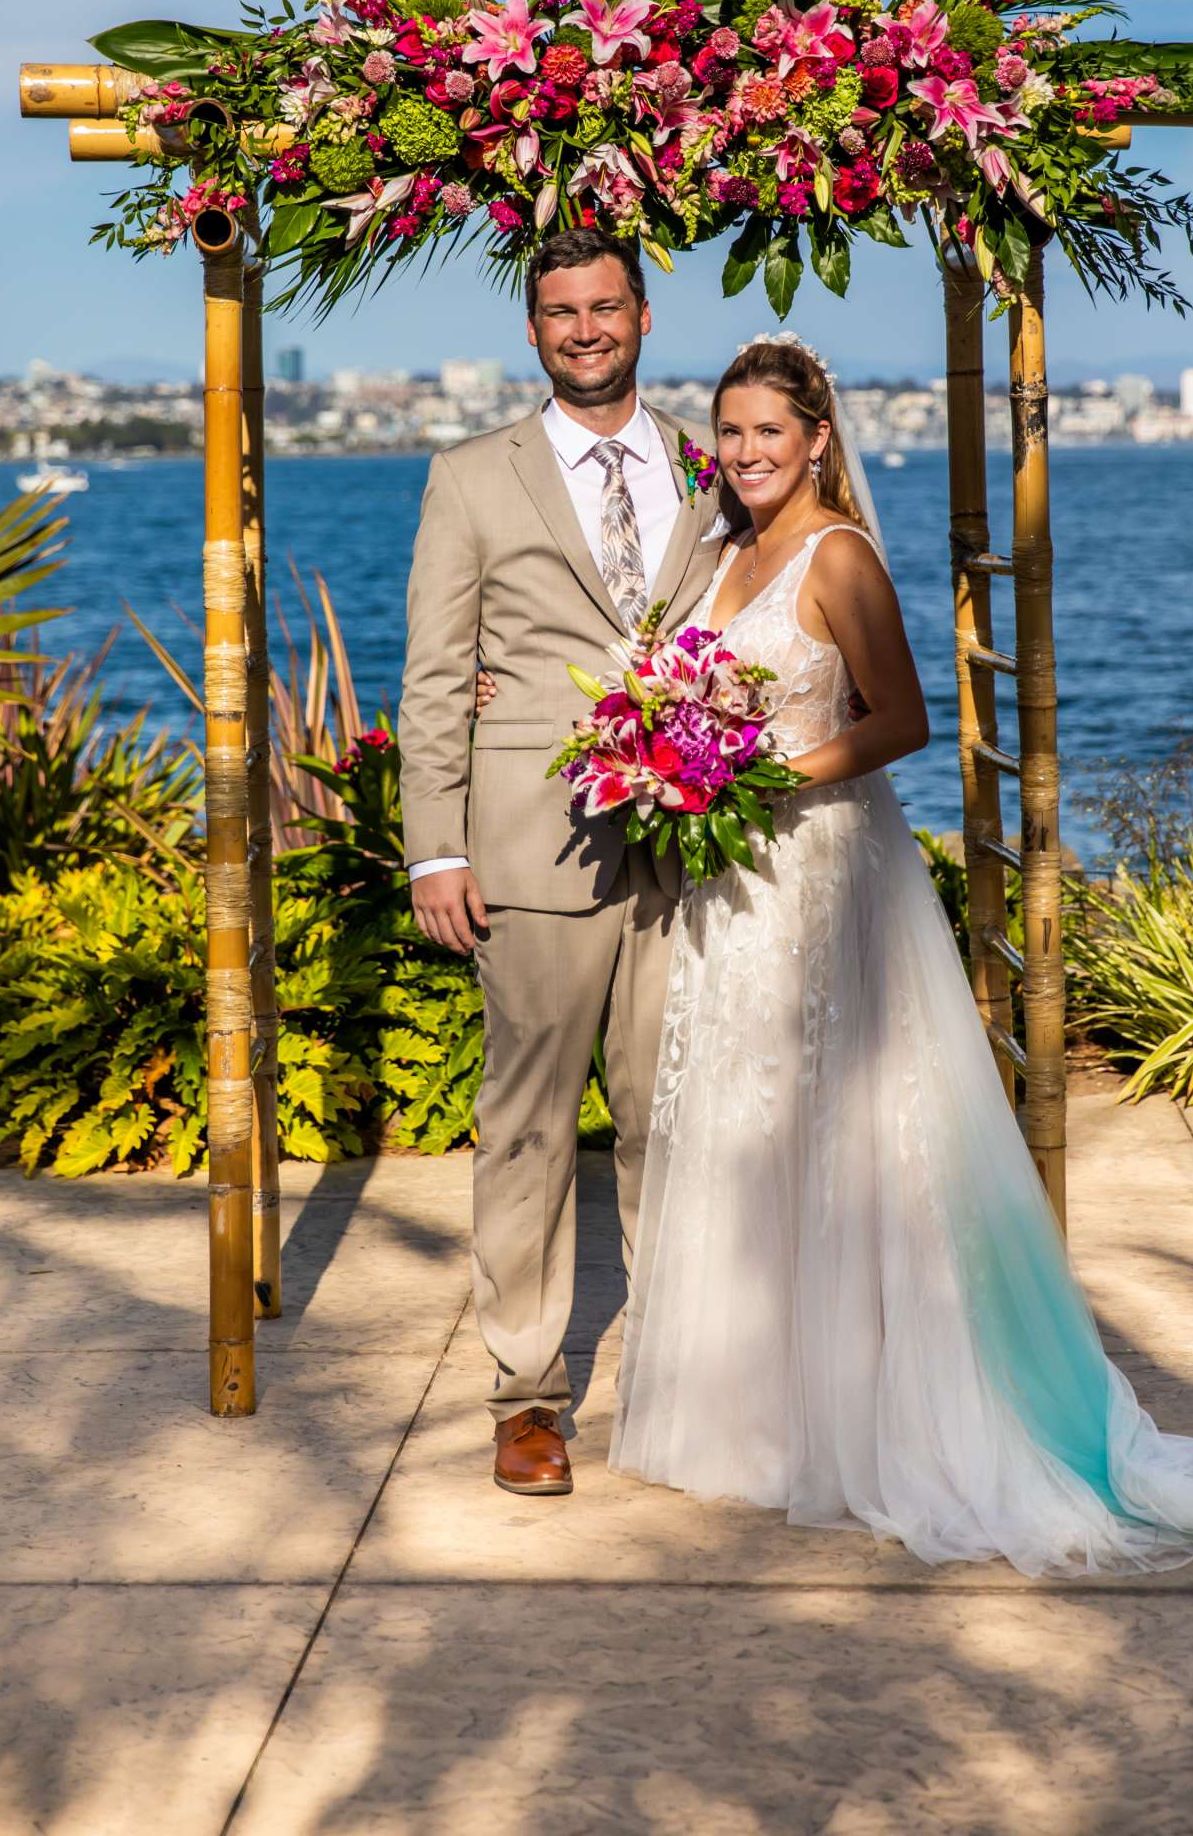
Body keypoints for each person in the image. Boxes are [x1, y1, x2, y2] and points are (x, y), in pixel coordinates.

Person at [606, 332, 1193, 1579]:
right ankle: (760, 1413)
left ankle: (884, 1415)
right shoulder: (726, 551)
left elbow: (901, 719)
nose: (744, 455)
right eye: (727, 434)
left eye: (766, 434)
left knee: (843, 1132)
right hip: (737, 878)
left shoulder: (837, 556)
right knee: (746, 1123)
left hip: (825, 865)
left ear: (817, 439)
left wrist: (757, 767)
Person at [397, 228, 721, 1498]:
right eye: (559, 312)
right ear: (532, 330)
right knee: (527, 1130)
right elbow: (434, 676)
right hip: (533, 853)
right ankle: (526, 1397)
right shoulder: (473, 476)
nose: (584, 329)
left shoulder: (711, 462)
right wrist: (437, 845)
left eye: (604, 307)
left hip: (694, 848)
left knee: (673, 1121)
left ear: (642, 315)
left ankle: (689, 1380)